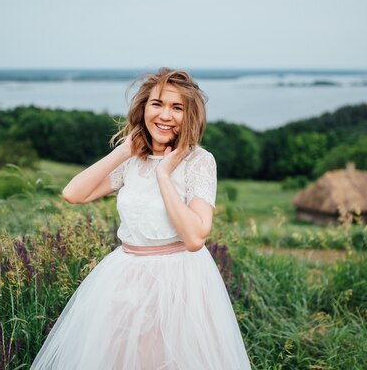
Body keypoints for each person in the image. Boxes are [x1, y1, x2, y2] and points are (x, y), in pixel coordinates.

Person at [30, 68, 251, 369]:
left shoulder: (199, 161)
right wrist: (124, 152)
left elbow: (195, 237)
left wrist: (163, 174)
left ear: (190, 116)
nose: (165, 115)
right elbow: (73, 193)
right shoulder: (131, 161)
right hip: (125, 279)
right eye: (157, 104)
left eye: (177, 108)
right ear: (143, 108)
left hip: (179, 283)